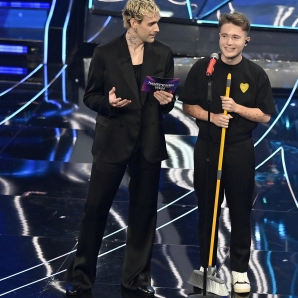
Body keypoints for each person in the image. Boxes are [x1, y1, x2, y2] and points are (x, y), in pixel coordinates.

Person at [64, 0, 175, 296]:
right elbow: (91, 97)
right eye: (151, 23)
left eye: (157, 22)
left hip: (148, 144)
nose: (157, 28)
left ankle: (136, 280)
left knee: (144, 214)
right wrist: (108, 104)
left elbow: (165, 97)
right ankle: (81, 277)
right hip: (113, 140)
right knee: (96, 209)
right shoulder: (105, 53)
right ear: (132, 23)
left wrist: (168, 102)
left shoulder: (162, 53)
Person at [179, 12, 276, 294]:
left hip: (239, 149)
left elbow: (264, 115)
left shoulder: (255, 74)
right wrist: (211, 117)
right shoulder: (203, 69)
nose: (229, 42)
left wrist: (236, 109)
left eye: (235, 37)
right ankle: (207, 267)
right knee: (207, 208)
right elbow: (188, 105)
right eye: (224, 36)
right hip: (208, 147)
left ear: (246, 40)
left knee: (240, 209)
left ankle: (240, 271)